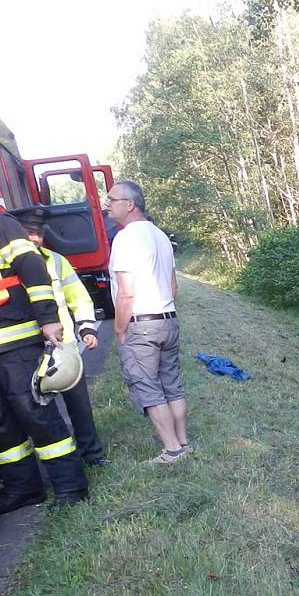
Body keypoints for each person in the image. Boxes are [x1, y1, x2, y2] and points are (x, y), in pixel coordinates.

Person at [0, 207, 88, 514]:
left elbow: (32, 267)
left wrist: (49, 319)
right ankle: (23, 488)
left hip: (17, 342)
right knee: (3, 427)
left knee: (37, 415)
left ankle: (70, 487)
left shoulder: (3, 224)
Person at [11, 207, 109, 466]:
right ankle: (55, 462)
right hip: (26, 352)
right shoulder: (8, 265)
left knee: (79, 406)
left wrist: (87, 327)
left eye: (39, 234)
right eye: (28, 233)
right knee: (35, 412)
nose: (35, 239)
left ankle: (92, 455)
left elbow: (78, 296)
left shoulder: (56, 260)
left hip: (63, 349)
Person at [105, 180, 190, 464]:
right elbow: (173, 287)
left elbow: (126, 292)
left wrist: (119, 328)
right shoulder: (159, 235)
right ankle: (183, 443)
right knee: (172, 383)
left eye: (112, 200)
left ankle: (171, 450)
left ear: (129, 205)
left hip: (141, 324)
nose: (107, 205)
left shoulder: (126, 238)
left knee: (147, 385)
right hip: (168, 319)